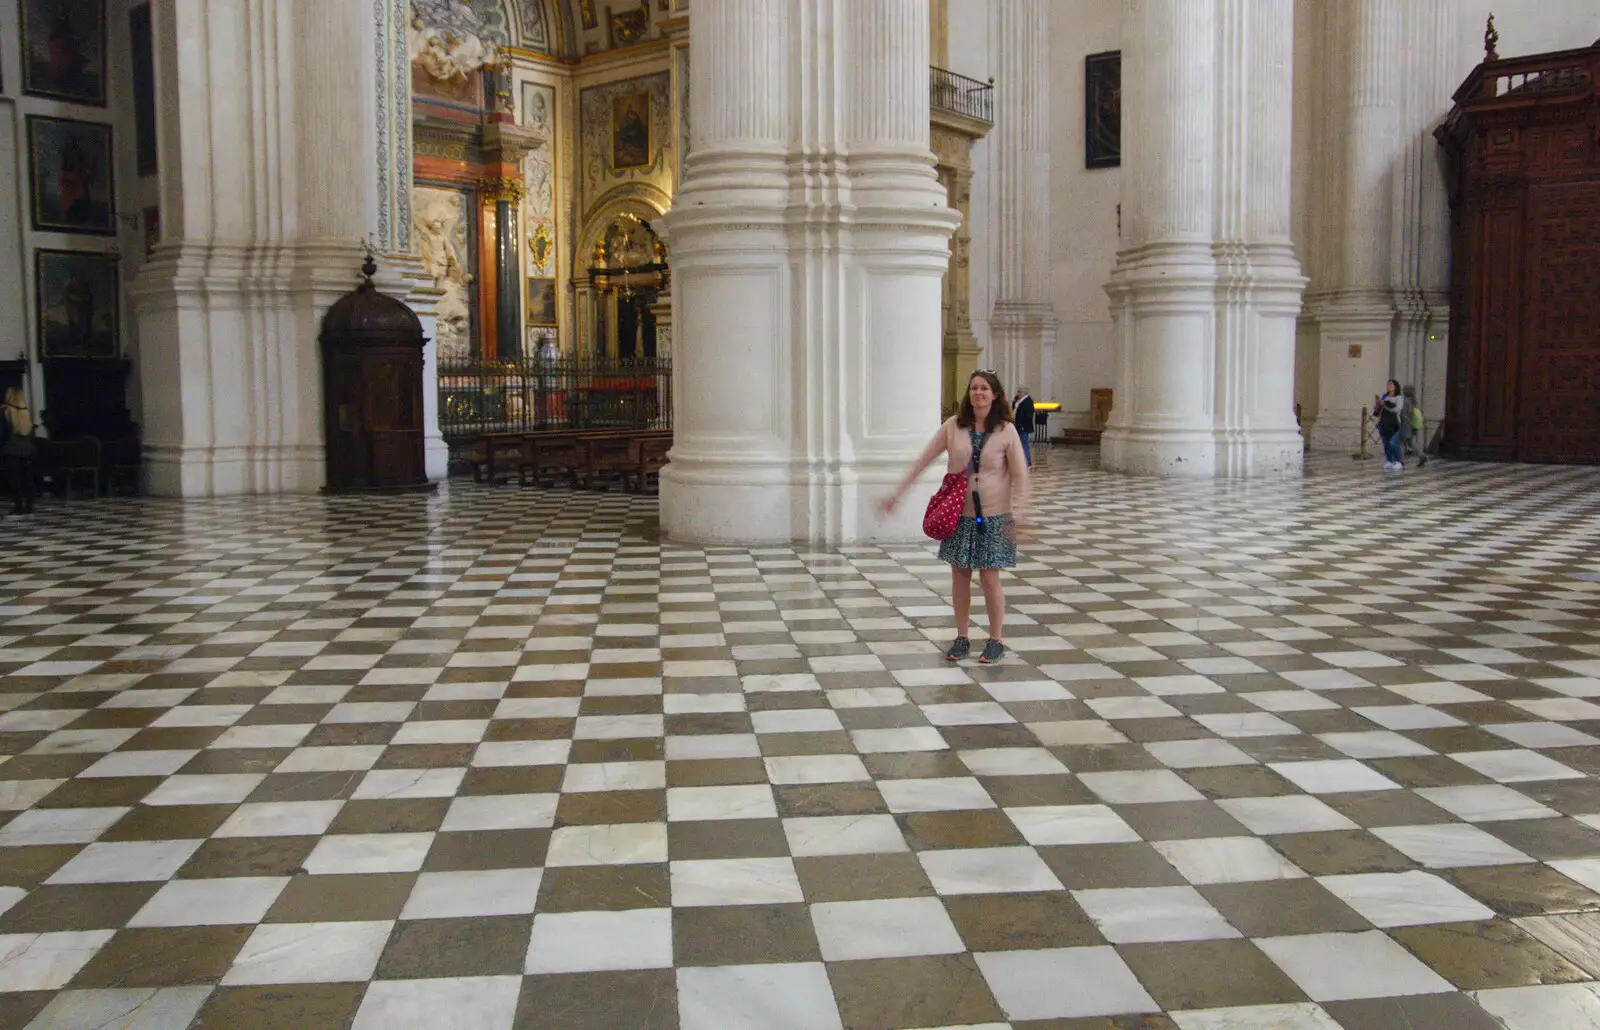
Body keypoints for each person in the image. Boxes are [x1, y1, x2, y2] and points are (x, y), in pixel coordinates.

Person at [881, 370, 1030, 664]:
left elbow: (1020, 475)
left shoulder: (1006, 431)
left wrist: (1022, 513)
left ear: (995, 394)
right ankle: (962, 637)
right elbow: (923, 460)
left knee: (990, 578)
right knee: (960, 577)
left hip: (995, 517)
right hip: (960, 515)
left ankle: (996, 639)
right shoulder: (953, 426)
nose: (978, 393)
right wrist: (898, 493)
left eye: (984, 388)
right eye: (974, 388)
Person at [2, 387, 38, 516]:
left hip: (11, 450)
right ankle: (30, 505)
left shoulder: (6, 411)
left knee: (15, 479)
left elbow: (4, 432)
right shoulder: (26, 411)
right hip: (28, 450)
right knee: (28, 478)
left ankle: (18, 506)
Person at [1373, 379, 1404, 470]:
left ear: (1395, 386)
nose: (1388, 386)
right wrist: (1378, 404)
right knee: (1386, 444)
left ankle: (1399, 461)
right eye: (1388, 384)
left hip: (1394, 423)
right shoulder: (1384, 396)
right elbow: (1379, 408)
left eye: (1391, 384)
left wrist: (1385, 403)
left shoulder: (1398, 398)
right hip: (1383, 423)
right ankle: (1390, 460)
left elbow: (1396, 409)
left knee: (1393, 443)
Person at [1399, 384, 1427, 468]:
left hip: (1405, 425)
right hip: (1412, 425)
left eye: (1404, 390)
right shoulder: (1413, 401)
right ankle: (1422, 456)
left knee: (1401, 443)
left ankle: (1400, 461)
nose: (1403, 391)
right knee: (1411, 443)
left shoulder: (1406, 401)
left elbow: (1404, 414)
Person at [1013, 386, 1035, 469]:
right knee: (1019, 445)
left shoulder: (1028, 401)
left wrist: (1022, 426)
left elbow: (1028, 416)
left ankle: (1027, 463)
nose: (1017, 393)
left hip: (1023, 427)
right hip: (1017, 426)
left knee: (1024, 445)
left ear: (1023, 392)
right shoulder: (1019, 401)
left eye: (1019, 391)